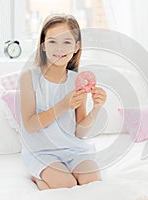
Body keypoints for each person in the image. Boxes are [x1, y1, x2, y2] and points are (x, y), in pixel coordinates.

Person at [19, 14, 107, 191]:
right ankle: (38, 178)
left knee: (93, 181)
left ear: (77, 46)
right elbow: (29, 124)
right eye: (52, 41)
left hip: (73, 149)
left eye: (66, 42)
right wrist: (62, 106)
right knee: (67, 184)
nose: (59, 48)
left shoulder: (77, 81)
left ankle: (49, 181)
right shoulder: (29, 77)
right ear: (43, 45)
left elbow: (80, 132)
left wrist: (96, 108)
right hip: (42, 151)